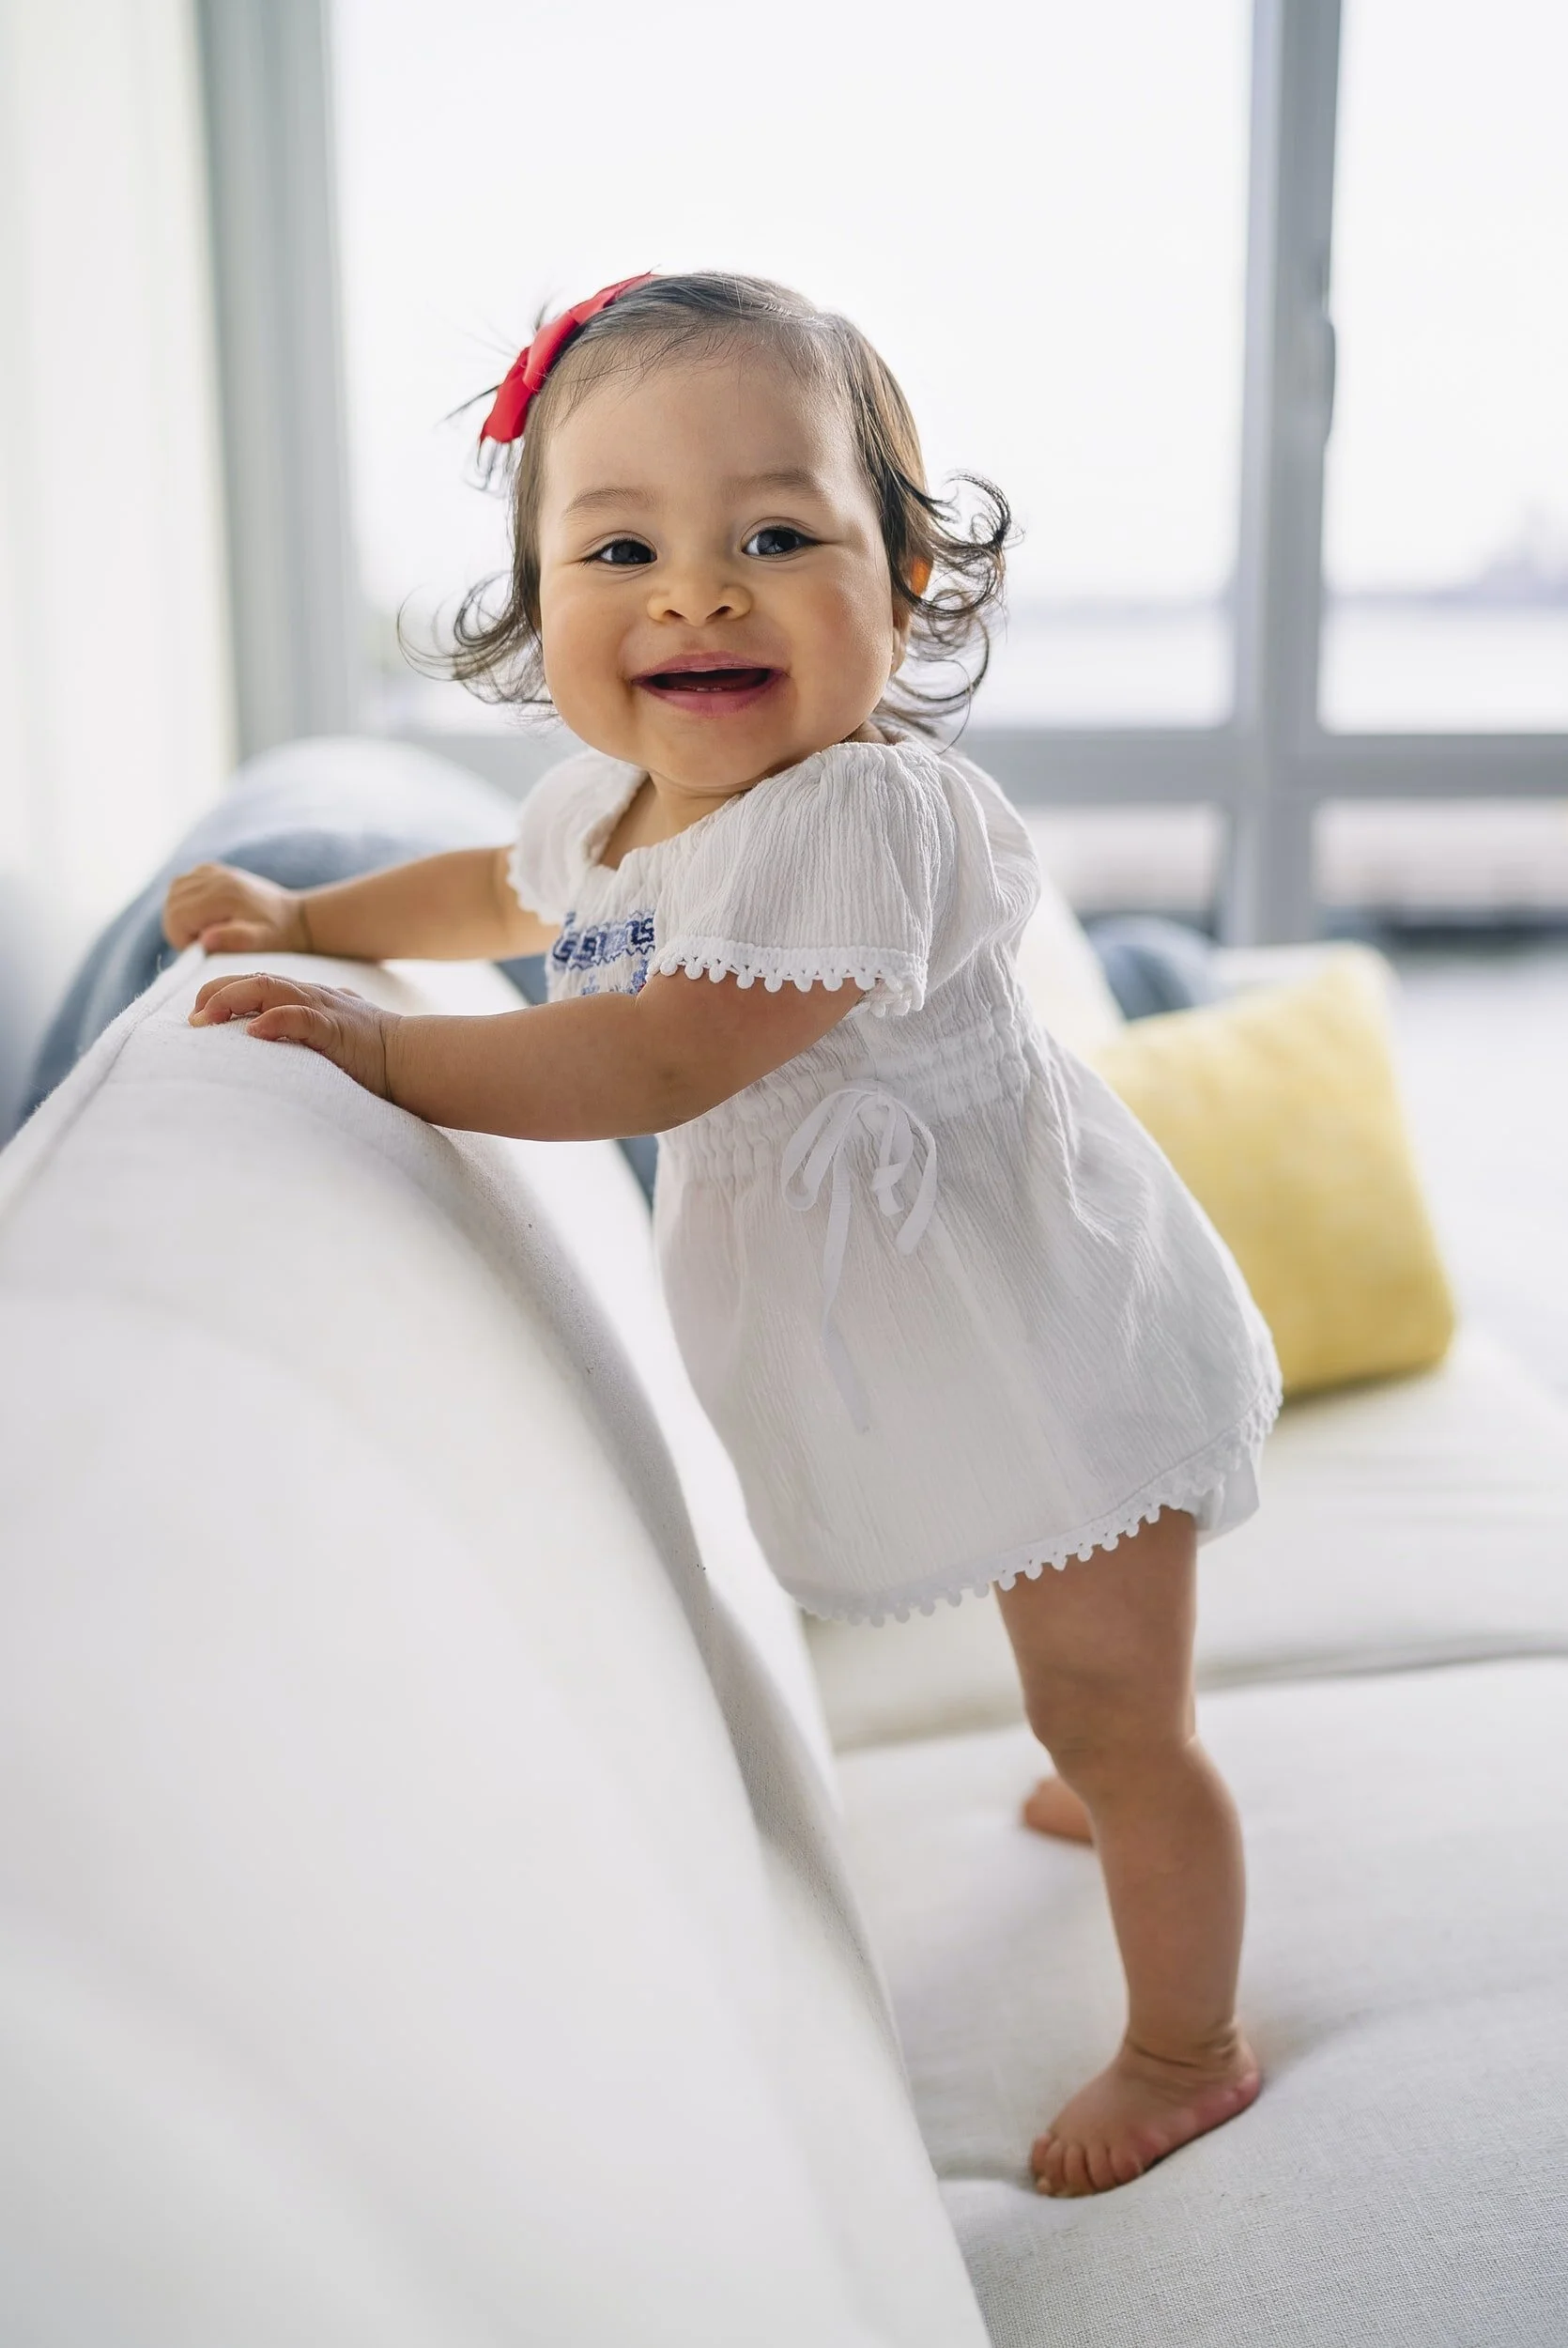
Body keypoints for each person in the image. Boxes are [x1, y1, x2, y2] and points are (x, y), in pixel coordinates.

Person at [166, 272, 1282, 2199]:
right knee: (1072, 1670)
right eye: (621, 548)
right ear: (536, 600)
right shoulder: (609, 812)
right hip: (932, 1342)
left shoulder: (865, 815)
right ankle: (1089, 1754)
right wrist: (316, 920)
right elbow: (492, 888)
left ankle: (1188, 2036)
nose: (695, 593)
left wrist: (386, 1053)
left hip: (1050, 1331)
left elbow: (664, 1053)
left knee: (1120, 1706)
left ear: (905, 577)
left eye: (774, 536)